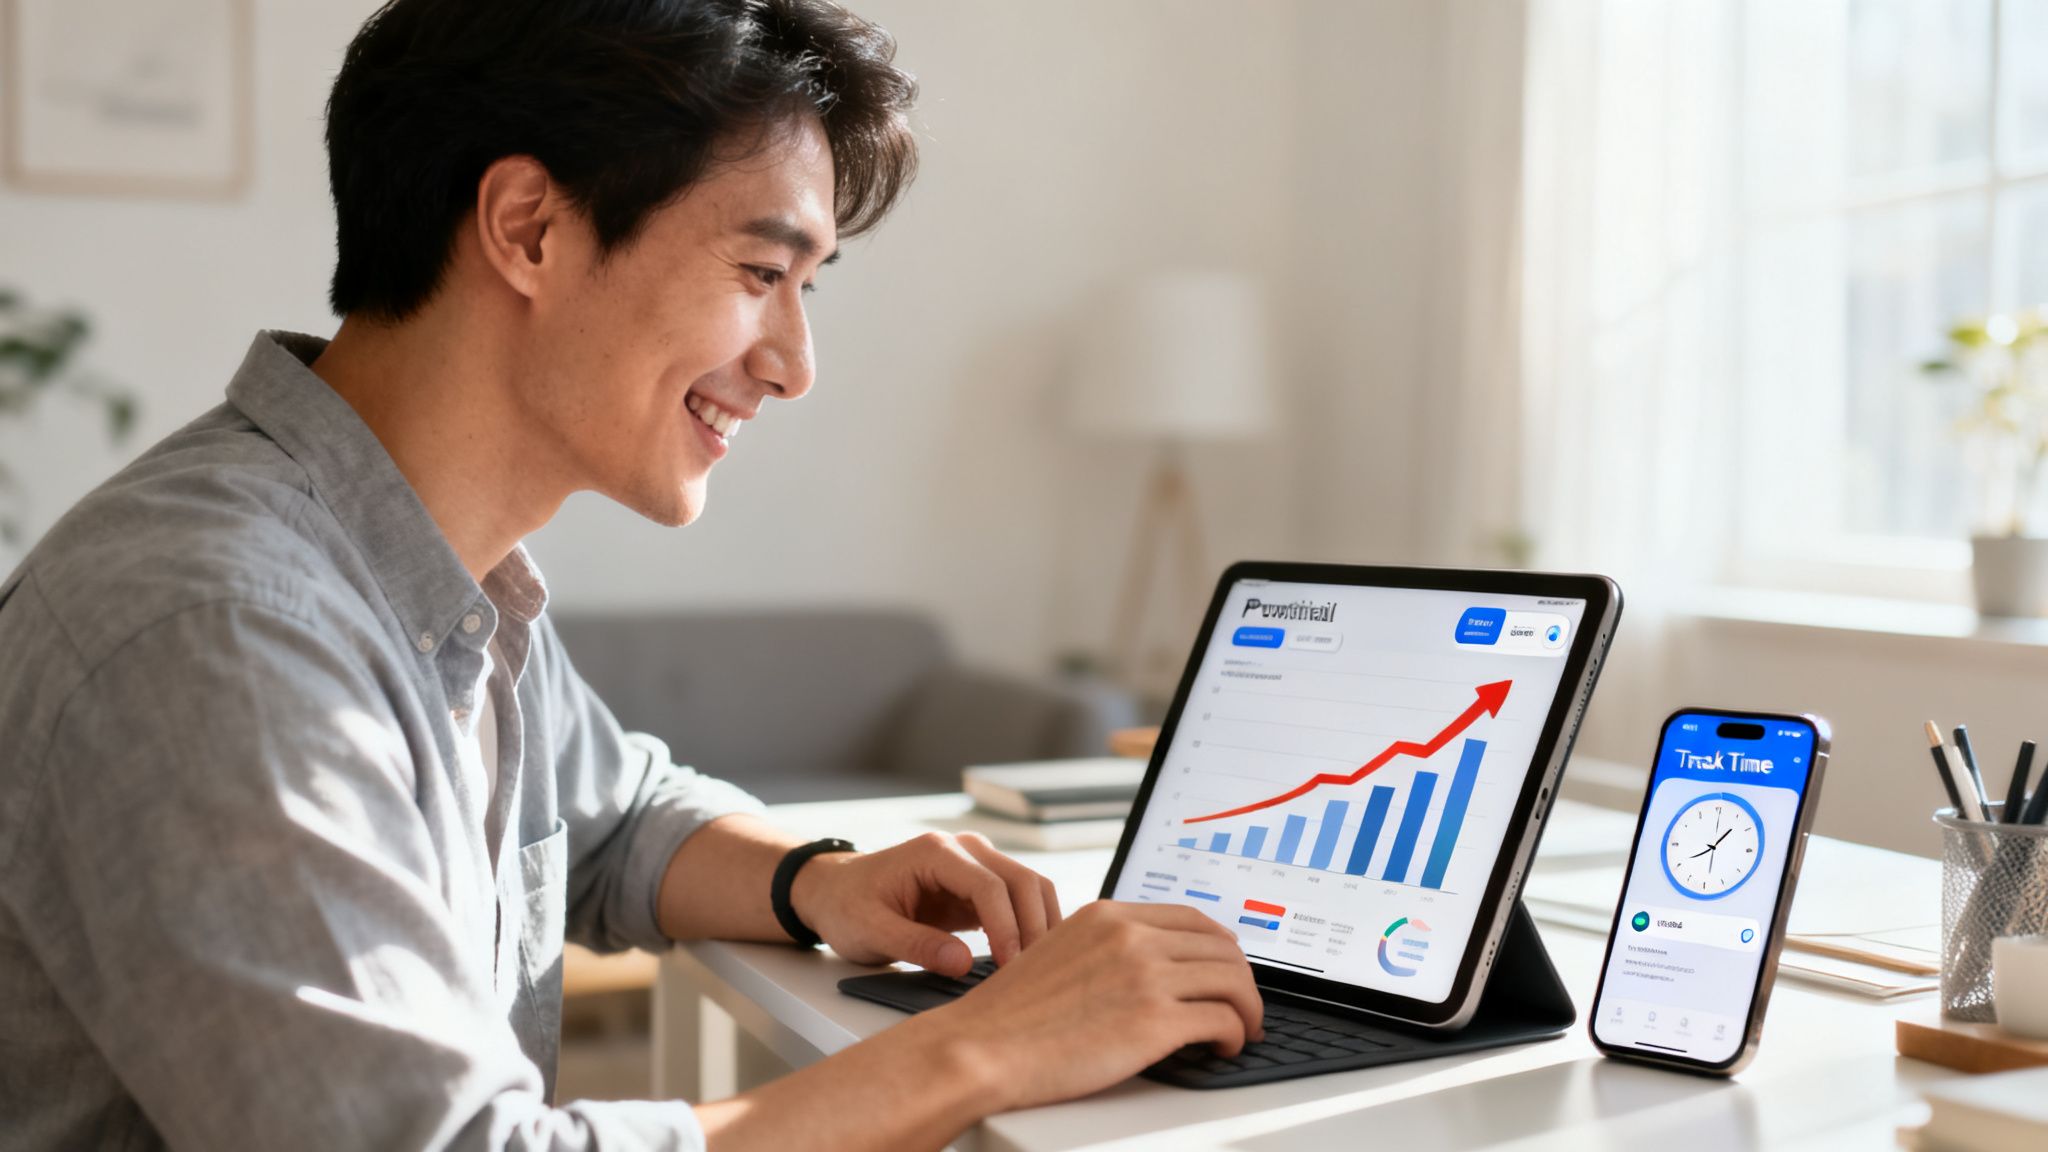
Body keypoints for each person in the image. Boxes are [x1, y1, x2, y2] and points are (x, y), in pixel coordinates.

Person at [0, 2, 1264, 1149]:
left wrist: (816, 876)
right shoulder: (217, 631)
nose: (792, 364)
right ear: (529, 229)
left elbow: (614, 819)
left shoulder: (442, 576)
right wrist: (991, 1046)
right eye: (761, 275)